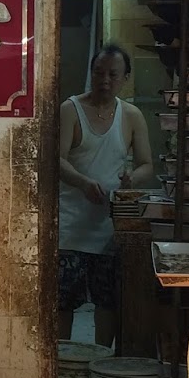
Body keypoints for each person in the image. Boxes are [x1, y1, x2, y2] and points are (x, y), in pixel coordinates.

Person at [56, 44, 154, 342]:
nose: (105, 80)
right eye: (99, 73)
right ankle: (63, 366)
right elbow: (55, 161)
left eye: (113, 74)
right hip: (69, 229)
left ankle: (101, 363)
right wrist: (83, 182)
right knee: (62, 304)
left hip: (109, 228)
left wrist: (131, 177)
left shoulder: (132, 116)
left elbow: (147, 165)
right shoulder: (70, 110)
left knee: (107, 303)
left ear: (125, 77)